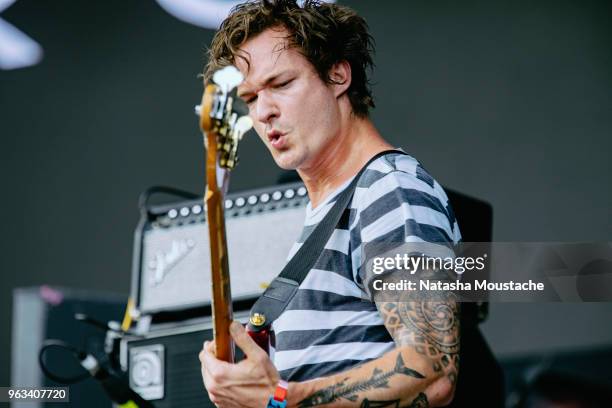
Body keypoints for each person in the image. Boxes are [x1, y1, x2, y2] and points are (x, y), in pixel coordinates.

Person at [199, 1, 462, 406]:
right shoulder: (329, 209)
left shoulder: (388, 191)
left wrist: (279, 399)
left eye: (282, 84)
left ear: (338, 75)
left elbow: (432, 371)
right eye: (250, 97)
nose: (264, 111)